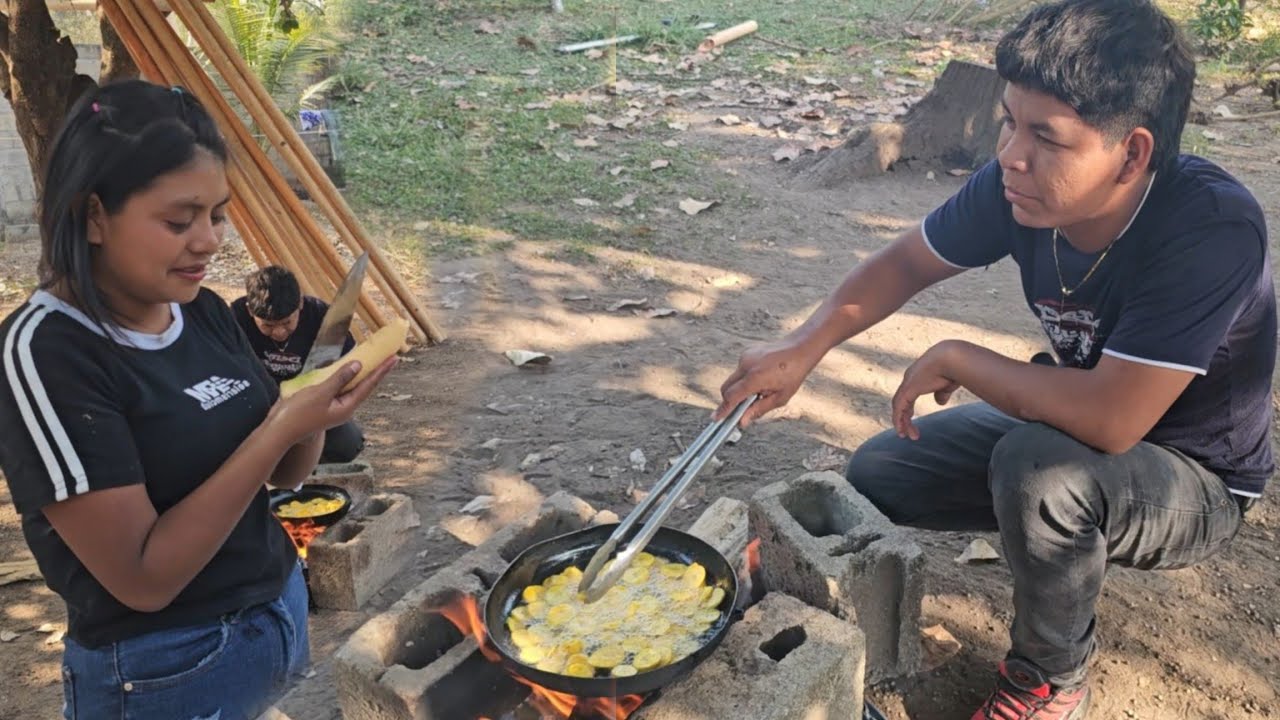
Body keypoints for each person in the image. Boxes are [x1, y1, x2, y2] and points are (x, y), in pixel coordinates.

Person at [715, 2, 1274, 718]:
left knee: (1044, 471)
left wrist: (961, 356)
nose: (1010, 153)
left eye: (1047, 136)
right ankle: (1045, 525)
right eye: (1009, 120)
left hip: (1194, 478)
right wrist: (802, 348)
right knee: (879, 472)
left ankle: (1050, 680)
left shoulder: (1211, 227)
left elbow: (1110, 422)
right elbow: (902, 265)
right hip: (1075, 418)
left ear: (1132, 153)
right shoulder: (1016, 187)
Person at [0, 80, 396, 720]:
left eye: (217, 214)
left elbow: (283, 473)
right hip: (165, 667)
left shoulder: (203, 312)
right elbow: (143, 578)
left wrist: (316, 411)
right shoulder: (47, 352)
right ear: (93, 214)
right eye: (179, 221)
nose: (210, 240)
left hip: (275, 613)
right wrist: (279, 426)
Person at [231, 265, 366, 464]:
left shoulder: (323, 316)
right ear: (250, 311)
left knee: (347, 445)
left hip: (311, 401)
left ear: (300, 304)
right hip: (256, 404)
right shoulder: (234, 318)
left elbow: (348, 367)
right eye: (267, 325)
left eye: (287, 322)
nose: (278, 332)